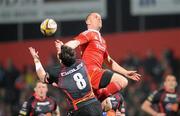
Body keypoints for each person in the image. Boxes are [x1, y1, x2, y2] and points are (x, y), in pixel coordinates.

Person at [55, 12, 141, 99]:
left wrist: (125, 72)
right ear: (88, 22)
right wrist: (64, 47)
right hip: (91, 72)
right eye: (96, 17)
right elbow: (75, 42)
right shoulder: (89, 33)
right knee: (122, 81)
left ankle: (97, 98)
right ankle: (99, 97)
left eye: (100, 17)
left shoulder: (102, 40)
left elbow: (109, 61)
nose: (99, 18)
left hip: (96, 75)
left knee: (105, 107)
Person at [28, 43, 103, 116]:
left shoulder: (57, 73)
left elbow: (42, 77)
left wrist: (36, 60)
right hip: (96, 105)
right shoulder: (81, 63)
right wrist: (63, 47)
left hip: (81, 109)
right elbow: (68, 57)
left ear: (61, 60)